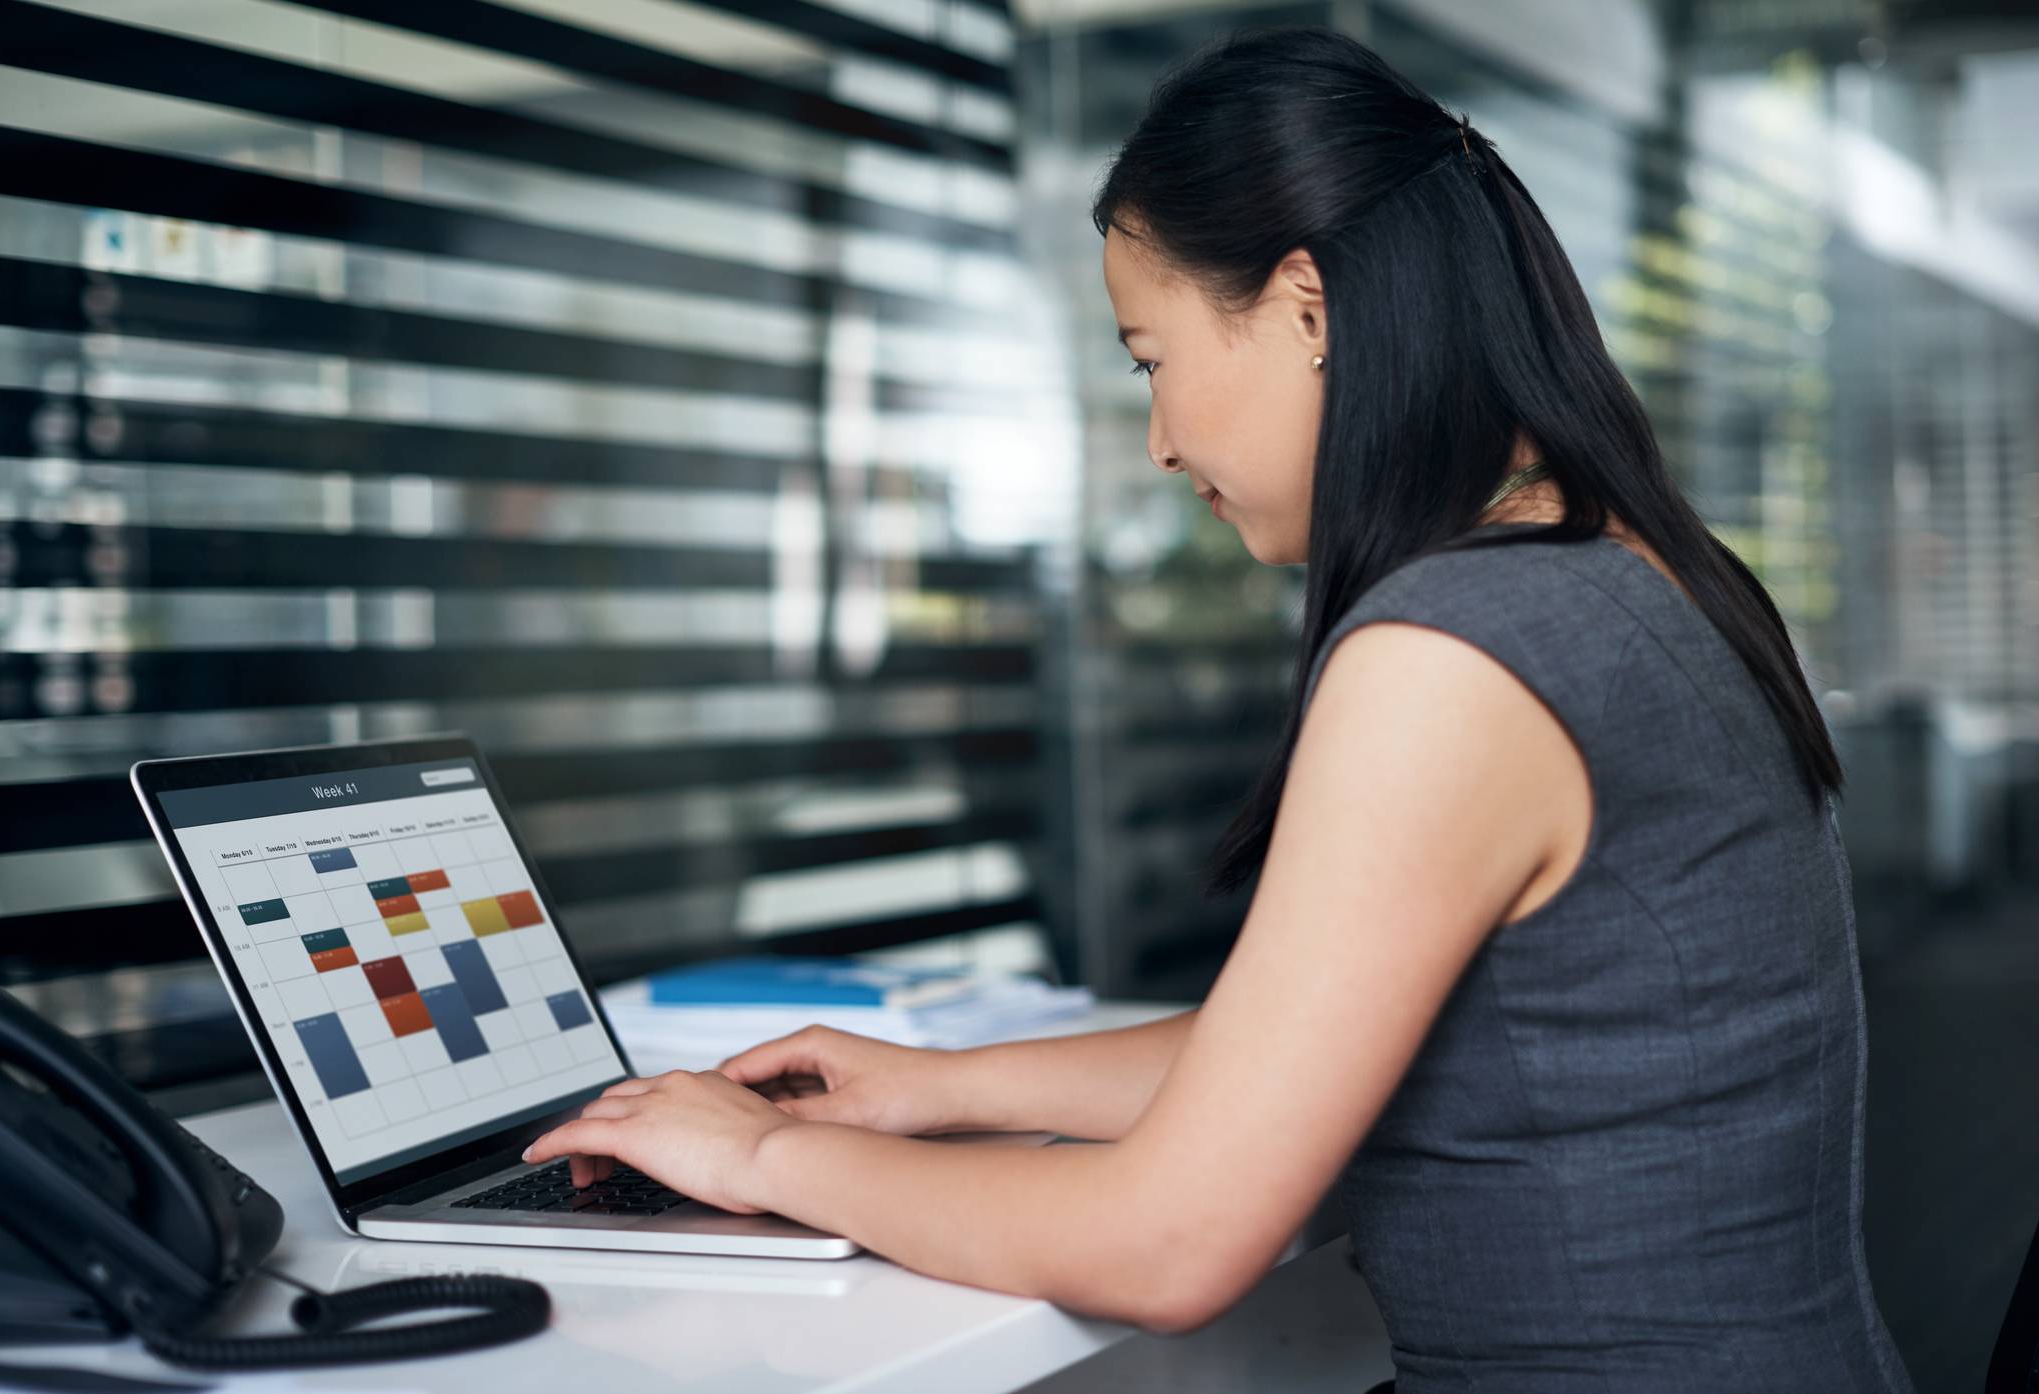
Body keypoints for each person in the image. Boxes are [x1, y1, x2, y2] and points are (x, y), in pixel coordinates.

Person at [526, 25, 1915, 1391]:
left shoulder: (1460, 648)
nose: (1160, 438)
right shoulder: (1628, 564)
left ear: (1306, 306)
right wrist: (939, 1085)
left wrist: (758, 1155)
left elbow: (1171, 1241)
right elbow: (1335, 1034)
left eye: (1150, 357)